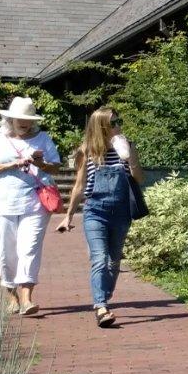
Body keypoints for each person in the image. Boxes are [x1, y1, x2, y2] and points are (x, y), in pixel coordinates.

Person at [0, 95, 62, 315]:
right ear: (10, 120)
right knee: (6, 253)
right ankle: (11, 296)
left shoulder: (43, 139)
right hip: (1, 203)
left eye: (28, 121)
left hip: (34, 203)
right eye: (20, 120)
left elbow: (56, 168)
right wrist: (12, 164)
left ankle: (27, 299)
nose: (25, 124)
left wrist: (41, 163)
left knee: (29, 249)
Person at [57, 107, 144, 328]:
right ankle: (101, 306)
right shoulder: (89, 150)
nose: (118, 125)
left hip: (122, 211)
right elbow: (79, 185)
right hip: (95, 210)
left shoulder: (127, 146)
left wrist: (130, 156)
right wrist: (68, 216)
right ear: (102, 126)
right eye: (113, 122)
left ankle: (104, 296)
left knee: (114, 261)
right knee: (99, 258)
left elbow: (138, 178)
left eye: (118, 121)